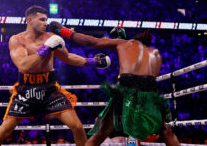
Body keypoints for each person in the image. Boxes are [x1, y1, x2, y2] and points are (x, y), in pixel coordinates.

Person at [0, 5, 111, 146]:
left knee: (77, 126)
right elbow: (24, 65)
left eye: (46, 20)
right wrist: (46, 48)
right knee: (4, 131)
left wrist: (91, 62)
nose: (46, 23)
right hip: (26, 91)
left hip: (50, 90)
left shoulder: (51, 37)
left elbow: (67, 57)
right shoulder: (17, 40)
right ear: (29, 20)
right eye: (42, 20)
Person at [49, 21, 180, 146]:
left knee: (102, 133)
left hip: (127, 88)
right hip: (151, 91)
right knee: (166, 131)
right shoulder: (156, 53)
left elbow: (91, 41)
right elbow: (148, 76)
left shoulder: (126, 43)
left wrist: (64, 31)